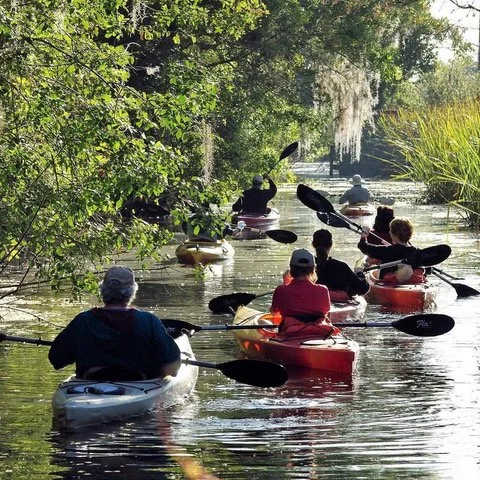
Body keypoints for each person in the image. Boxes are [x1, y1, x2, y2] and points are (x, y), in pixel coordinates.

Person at [48, 266, 182, 380]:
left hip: (89, 384)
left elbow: (56, 359)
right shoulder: (148, 321)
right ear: (132, 292)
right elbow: (173, 368)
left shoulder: (83, 320)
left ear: (102, 290)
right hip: (138, 384)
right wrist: (156, 374)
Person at [270, 248, 340, 339]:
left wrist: (286, 284)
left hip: (290, 334)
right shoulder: (323, 290)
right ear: (312, 269)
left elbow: (274, 313)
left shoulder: (281, 290)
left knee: (264, 322)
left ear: (291, 268)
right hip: (321, 332)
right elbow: (325, 312)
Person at [358, 218, 424, 283]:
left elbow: (363, 246)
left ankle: (402, 274)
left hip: (389, 283)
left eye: (390, 230)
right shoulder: (418, 252)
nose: (389, 232)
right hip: (411, 283)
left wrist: (364, 235)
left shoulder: (388, 250)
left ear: (394, 234)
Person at [312, 229, 369, 301]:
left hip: (314, 302)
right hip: (337, 301)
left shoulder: (306, 266)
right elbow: (363, 289)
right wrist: (360, 274)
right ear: (331, 244)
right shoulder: (341, 266)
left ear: (313, 244)